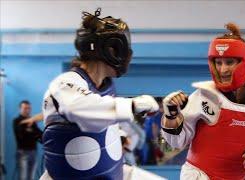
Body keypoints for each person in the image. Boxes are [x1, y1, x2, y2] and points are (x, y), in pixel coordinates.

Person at [39, 8, 160, 180]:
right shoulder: (66, 82)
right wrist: (132, 105)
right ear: (111, 50)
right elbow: (77, 108)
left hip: (112, 171)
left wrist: (120, 136)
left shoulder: (105, 87)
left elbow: (99, 120)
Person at [161, 23, 245, 180]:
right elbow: (176, 142)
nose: (223, 70)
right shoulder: (205, 96)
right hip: (199, 176)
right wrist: (171, 116)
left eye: (229, 62)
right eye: (218, 62)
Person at [13, 100, 42, 180]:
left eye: (29, 108)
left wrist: (30, 131)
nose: (27, 110)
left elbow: (40, 134)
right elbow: (21, 136)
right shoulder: (17, 121)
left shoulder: (32, 121)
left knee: (31, 177)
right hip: (22, 153)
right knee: (23, 177)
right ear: (20, 108)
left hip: (33, 152)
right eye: (25, 108)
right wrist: (32, 133)